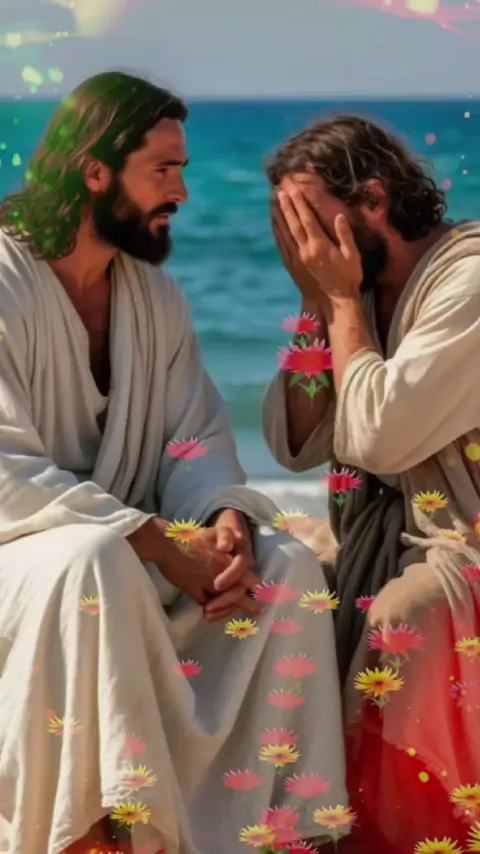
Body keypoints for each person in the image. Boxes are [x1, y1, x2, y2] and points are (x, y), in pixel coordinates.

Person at [0, 72, 348, 854]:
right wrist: (154, 541)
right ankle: (98, 831)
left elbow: (195, 440)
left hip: (125, 554)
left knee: (286, 564)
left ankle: (272, 830)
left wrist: (222, 520)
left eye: (183, 170)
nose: (182, 193)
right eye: (164, 170)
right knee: (95, 560)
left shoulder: (153, 298)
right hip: (28, 563)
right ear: (95, 171)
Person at [262, 114, 480, 853]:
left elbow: (380, 433)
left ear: (376, 201)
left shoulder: (466, 280)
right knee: (276, 592)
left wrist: (342, 303)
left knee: (401, 617)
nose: (303, 246)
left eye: (311, 221)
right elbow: (300, 441)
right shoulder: (356, 292)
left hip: (466, 544)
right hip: (386, 540)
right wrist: (315, 304)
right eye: (288, 228)